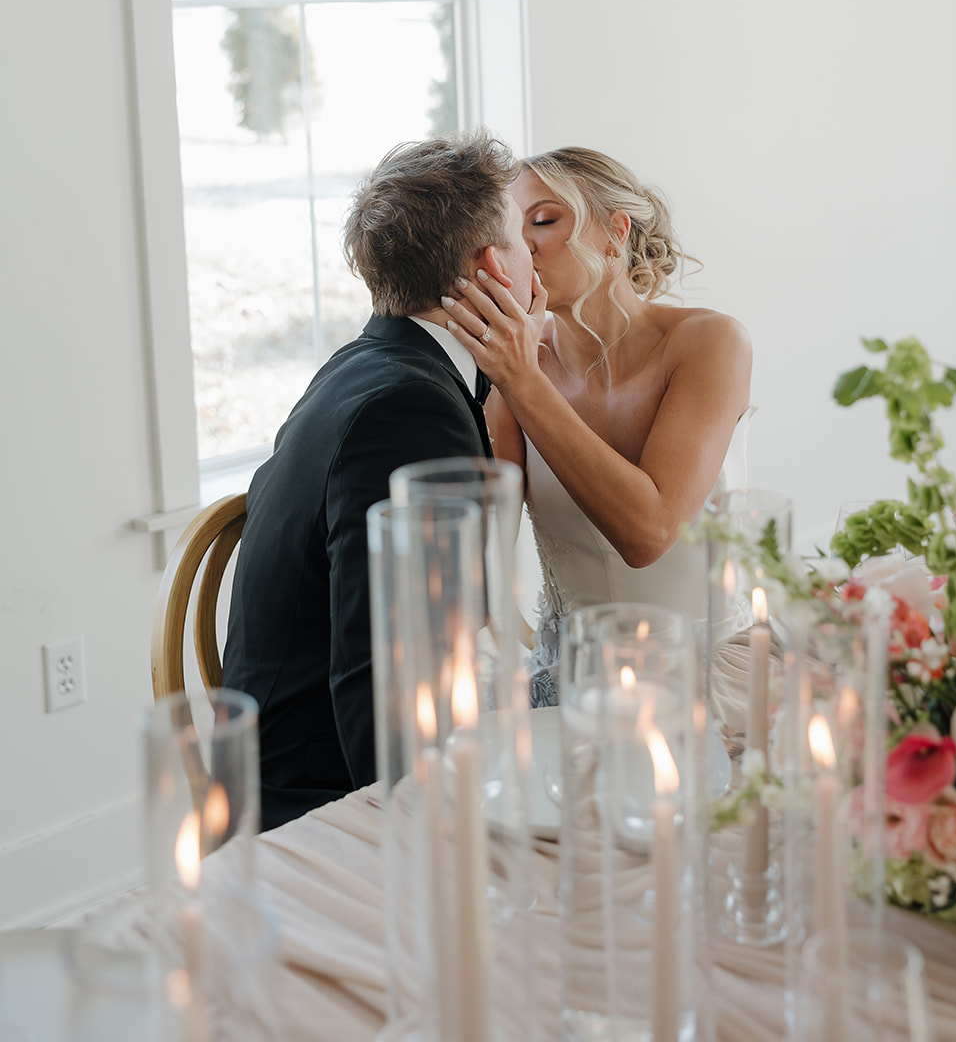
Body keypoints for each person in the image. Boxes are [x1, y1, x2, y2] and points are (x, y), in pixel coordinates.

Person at [221, 132, 536, 829]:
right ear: (492, 267)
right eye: (522, 239)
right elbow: (385, 676)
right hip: (314, 808)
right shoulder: (406, 409)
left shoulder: (368, 365)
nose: (532, 257)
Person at [441, 147, 751, 698]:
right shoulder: (516, 368)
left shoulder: (710, 342)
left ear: (615, 232)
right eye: (510, 232)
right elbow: (481, 565)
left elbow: (648, 533)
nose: (524, 246)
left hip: (711, 677)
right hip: (573, 684)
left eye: (543, 220)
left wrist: (522, 382)